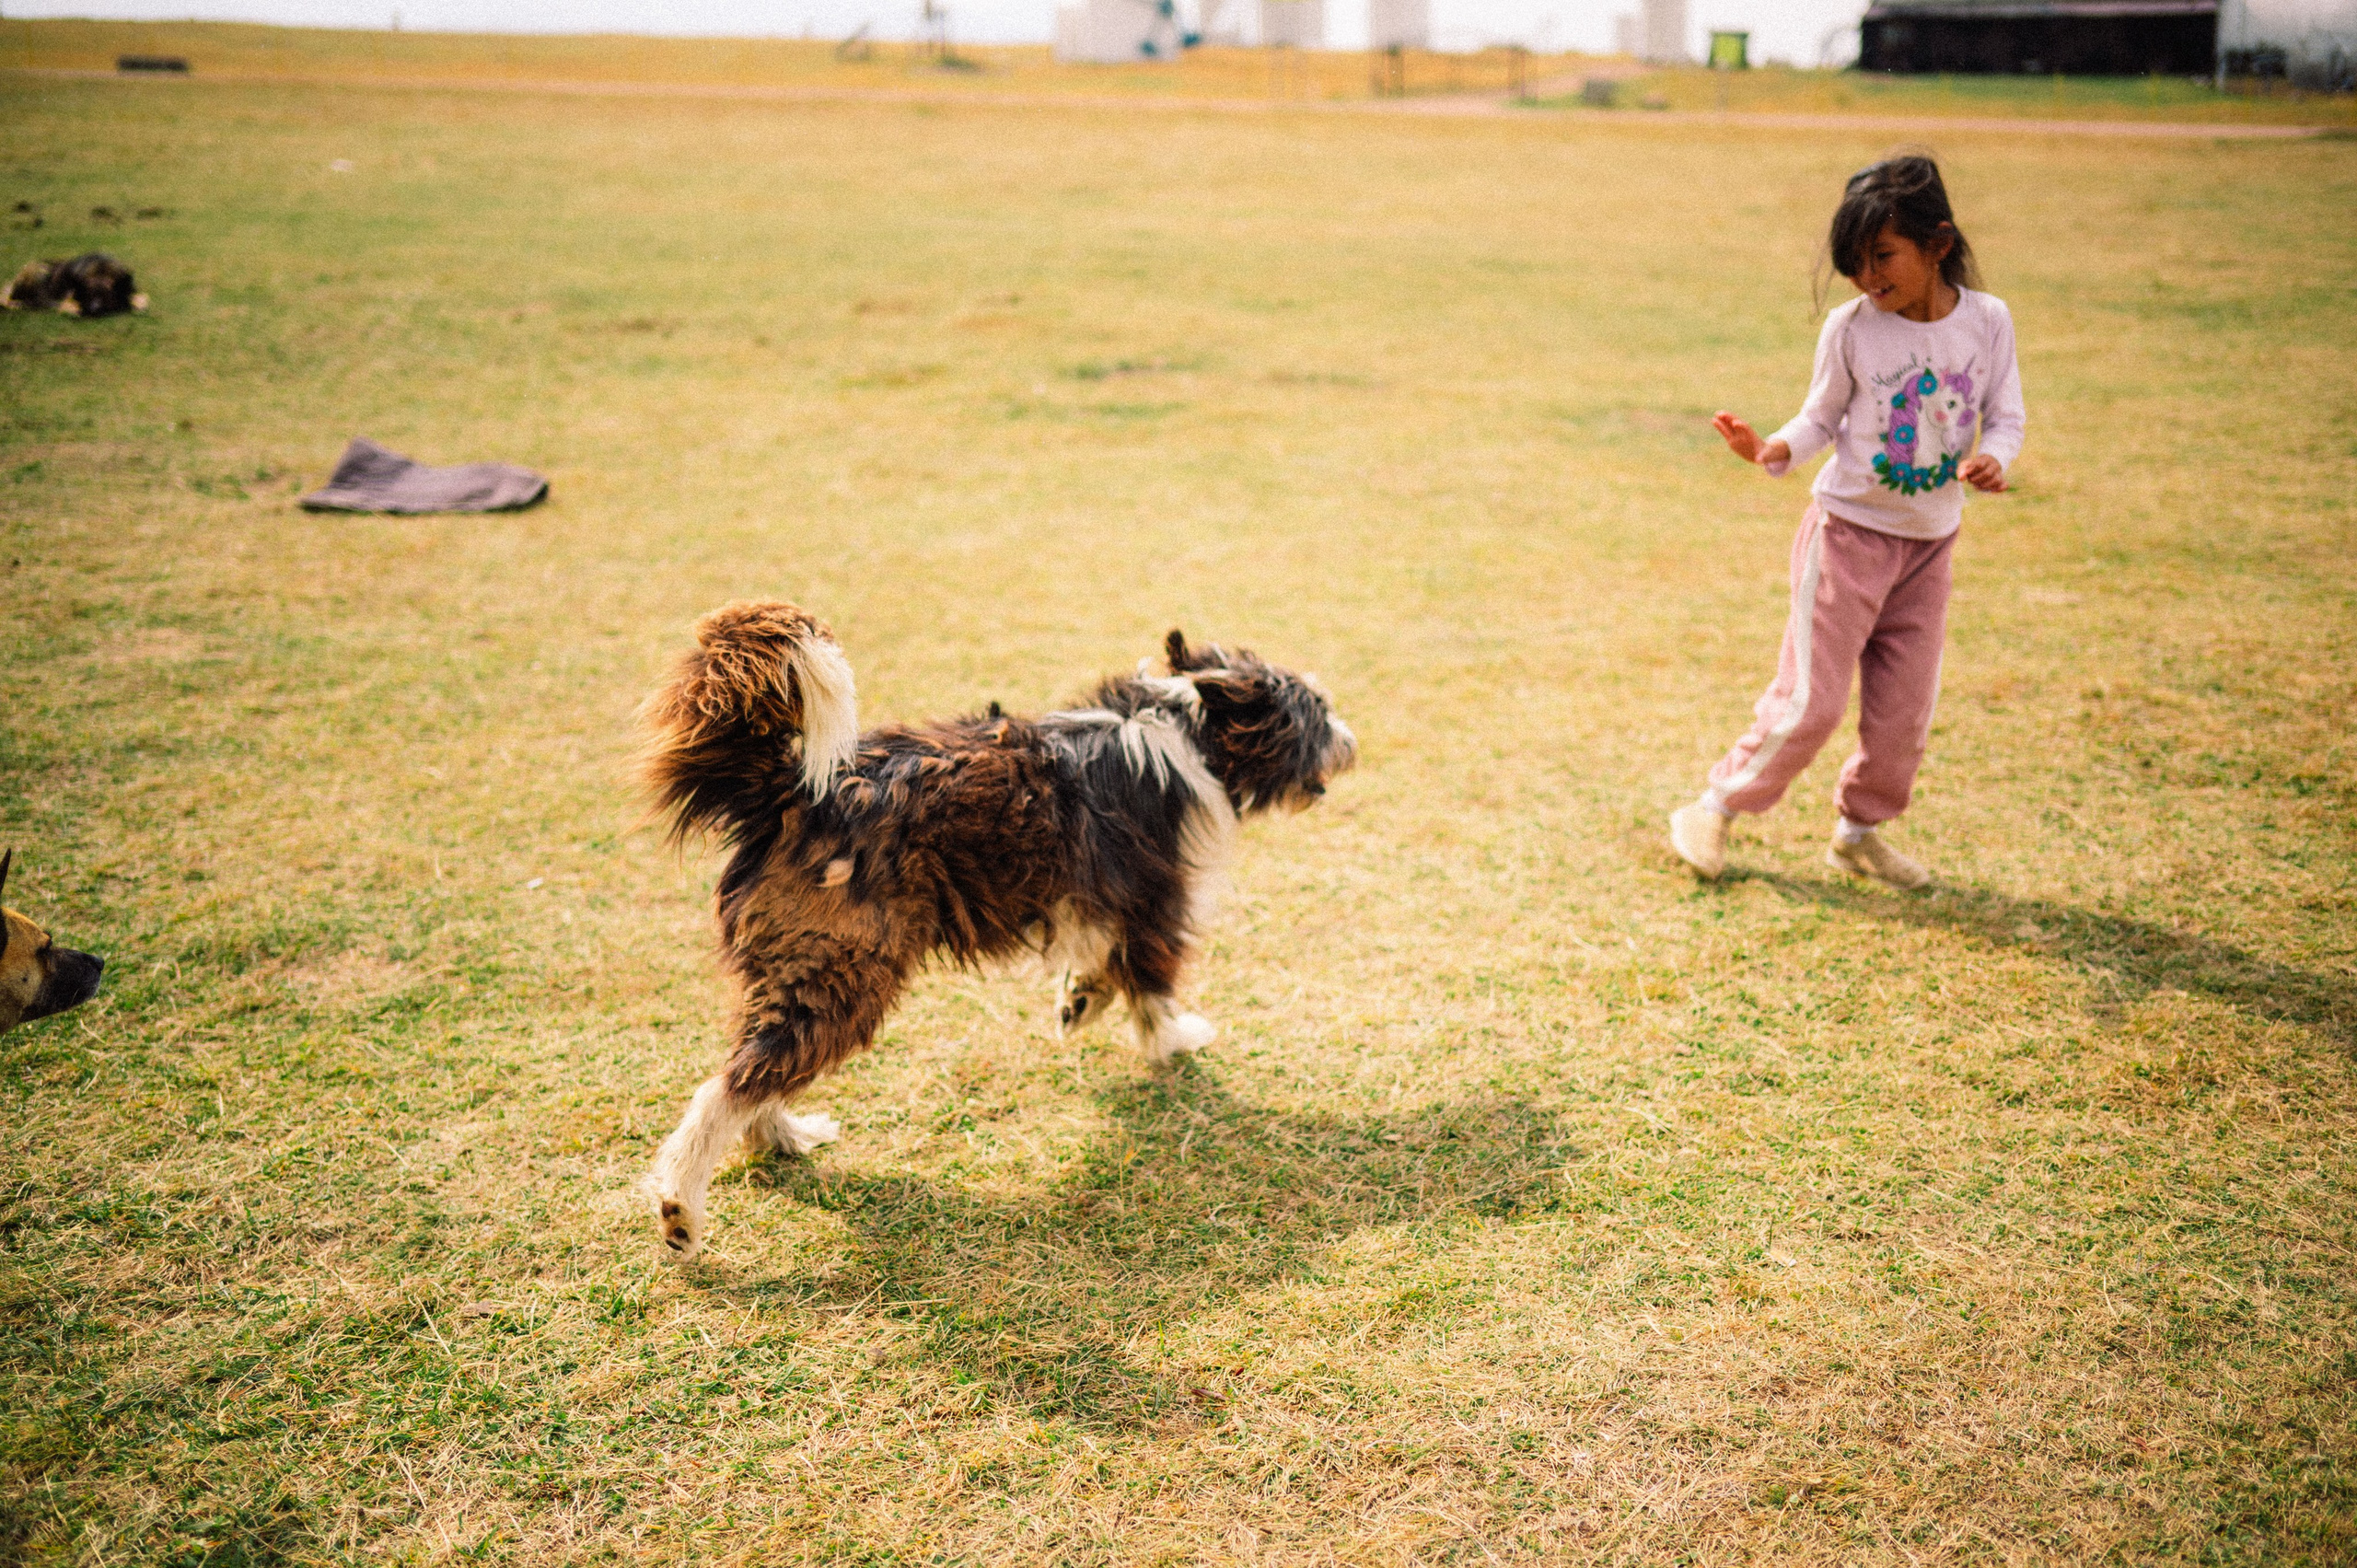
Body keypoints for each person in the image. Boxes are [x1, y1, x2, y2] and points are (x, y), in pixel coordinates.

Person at [1669, 154, 2025, 889]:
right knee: (1811, 702)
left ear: (1940, 243)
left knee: (1903, 717)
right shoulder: (1853, 327)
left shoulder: (1988, 322)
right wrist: (1771, 447)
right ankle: (1713, 805)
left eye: (1884, 257)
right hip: (1846, 538)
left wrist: (1994, 457)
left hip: (1929, 548)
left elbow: (2007, 417)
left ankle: (1859, 832)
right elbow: (1821, 416)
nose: (1869, 277)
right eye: (1855, 263)